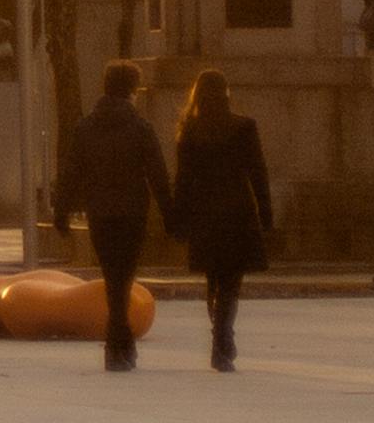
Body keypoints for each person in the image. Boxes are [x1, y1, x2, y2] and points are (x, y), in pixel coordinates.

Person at [53, 56, 170, 371]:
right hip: (132, 213)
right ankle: (119, 344)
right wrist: (171, 214)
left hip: (100, 212)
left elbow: (71, 173)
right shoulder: (141, 128)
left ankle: (119, 345)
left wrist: (61, 211)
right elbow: (158, 174)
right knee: (124, 277)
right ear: (131, 90)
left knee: (111, 278)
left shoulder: (85, 127)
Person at [171, 68, 273, 369]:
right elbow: (258, 171)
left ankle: (219, 333)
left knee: (213, 279)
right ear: (227, 93)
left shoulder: (190, 131)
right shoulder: (244, 127)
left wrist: (178, 218)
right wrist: (265, 210)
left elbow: (183, 180)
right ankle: (223, 336)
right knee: (232, 280)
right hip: (238, 212)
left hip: (204, 214)